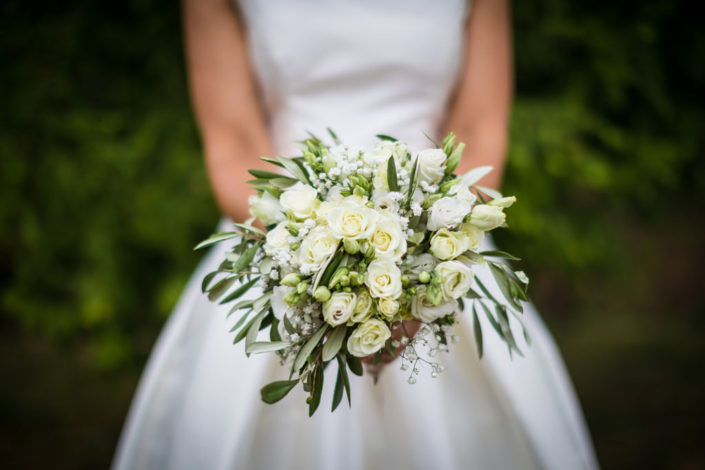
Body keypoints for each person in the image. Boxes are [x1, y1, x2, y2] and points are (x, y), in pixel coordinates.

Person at [113, 1, 599, 468]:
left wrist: (420, 274)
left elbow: (479, 126)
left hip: (441, 237)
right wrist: (307, 258)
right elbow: (233, 143)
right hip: (279, 240)